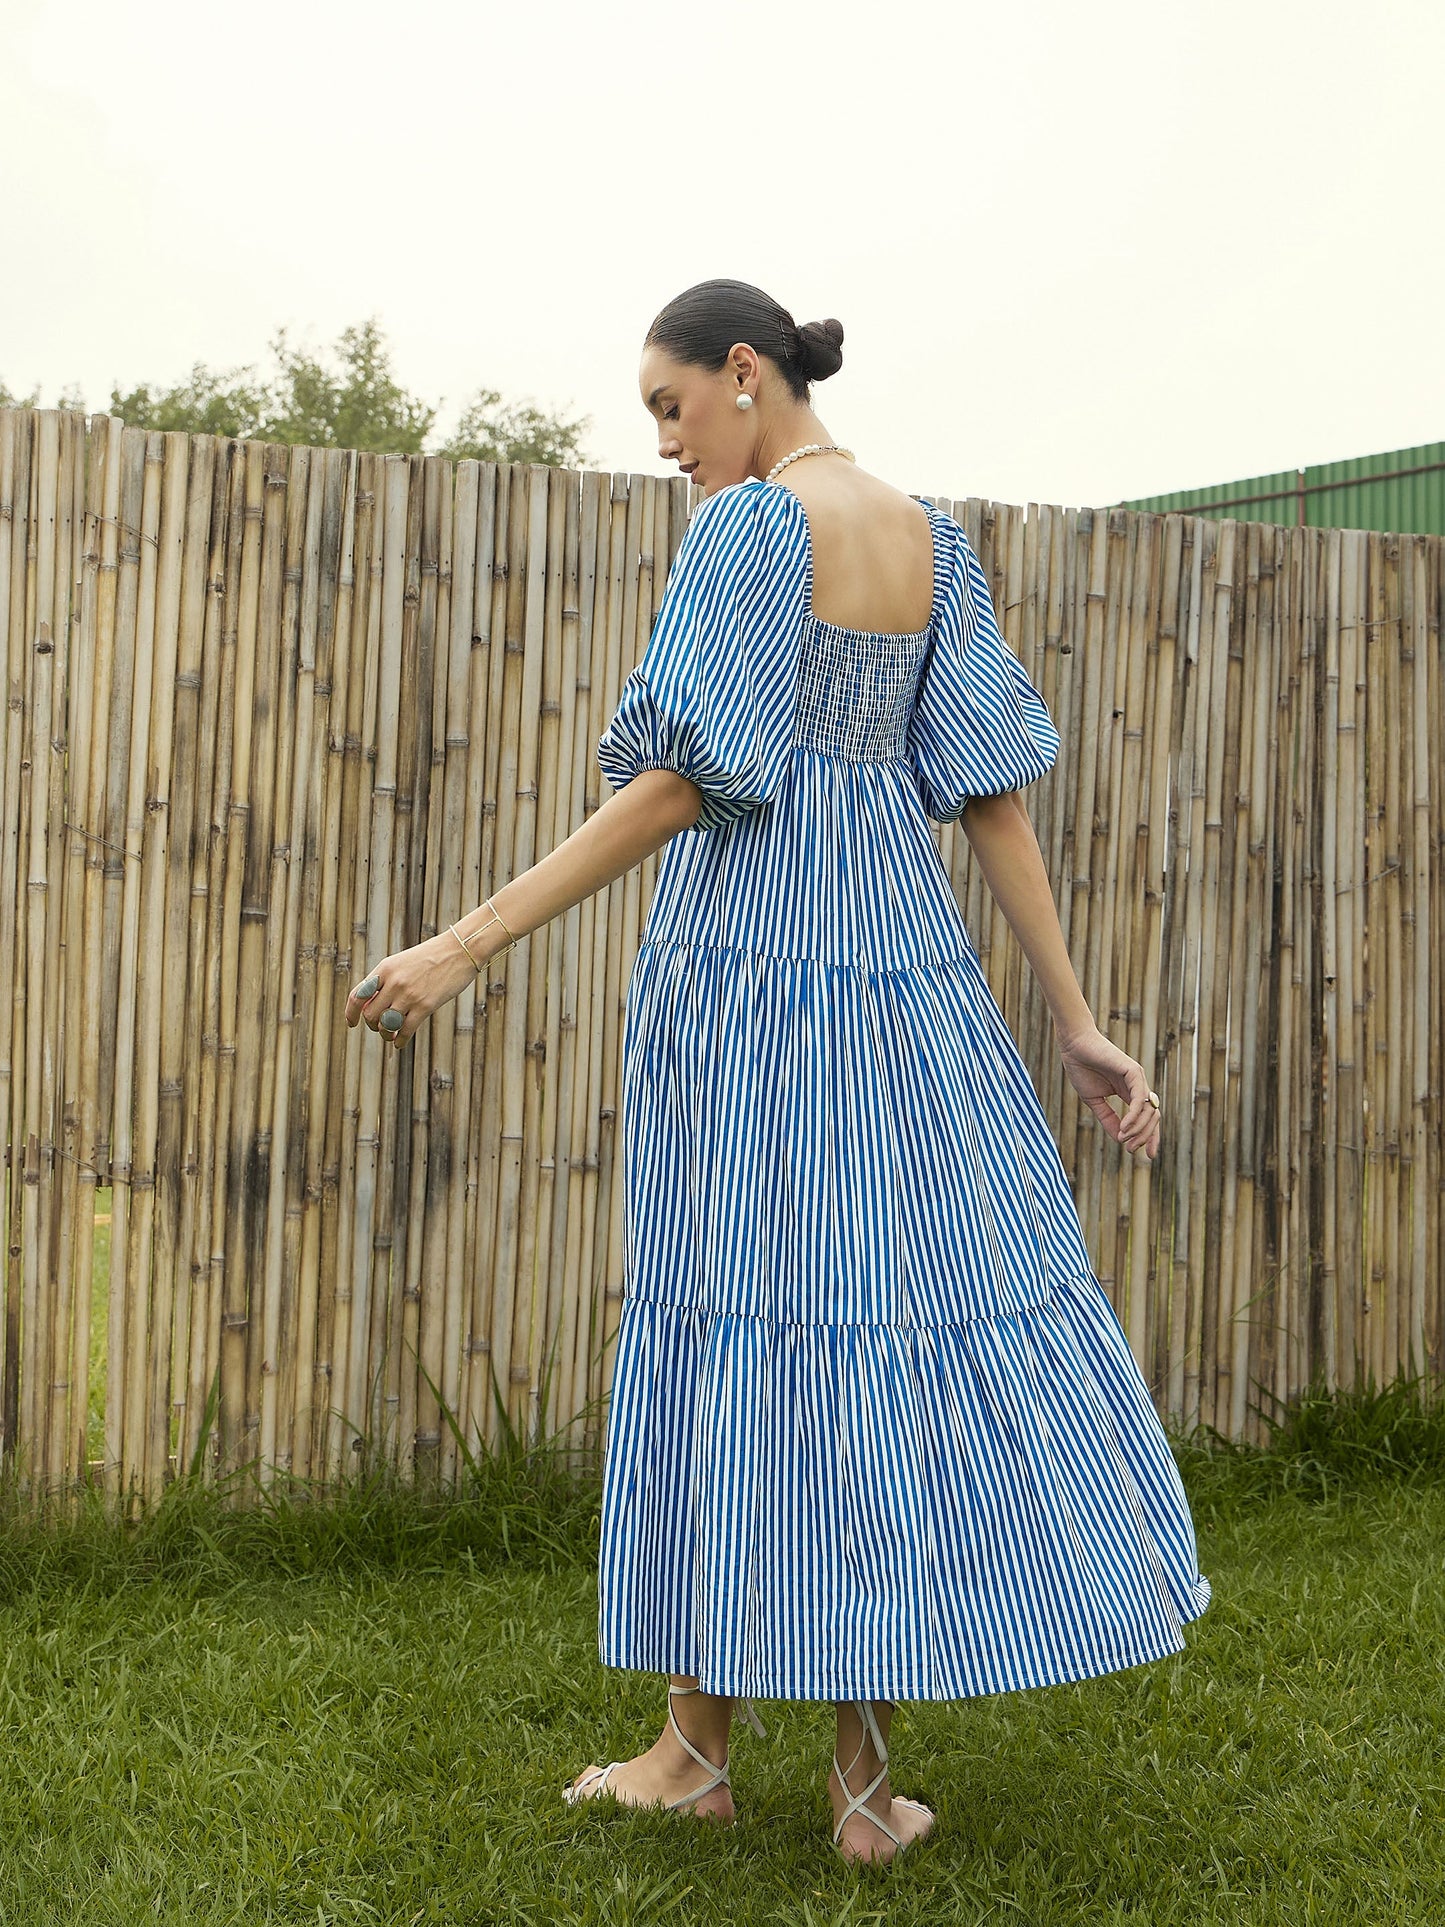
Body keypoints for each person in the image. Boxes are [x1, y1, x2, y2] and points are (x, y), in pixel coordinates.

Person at [345, 278, 1211, 1869]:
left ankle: (695, 1750)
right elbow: (991, 795)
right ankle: (859, 1795)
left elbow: (687, 780)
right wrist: (1073, 1014)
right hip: (904, 976)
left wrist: (464, 943)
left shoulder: (748, 533)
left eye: (670, 408)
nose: (667, 445)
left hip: (750, 976)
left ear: (744, 376)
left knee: (739, 1318)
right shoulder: (926, 538)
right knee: (863, 1320)